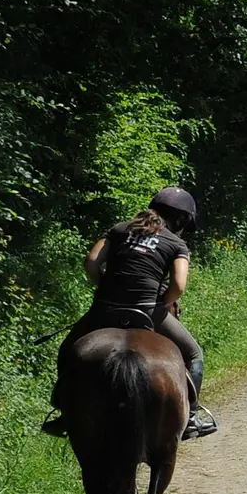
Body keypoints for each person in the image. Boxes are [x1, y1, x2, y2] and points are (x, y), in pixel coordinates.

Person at [43, 187, 217, 440]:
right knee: (194, 353)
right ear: (180, 220)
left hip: (106, 308)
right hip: (148, 310)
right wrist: (161, 303)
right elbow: (178, 287)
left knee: (69, 347)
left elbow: (91, 262)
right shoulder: (176, 243)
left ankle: (63, 413)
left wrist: (105, 287)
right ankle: (190, 418)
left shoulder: (119, 230)